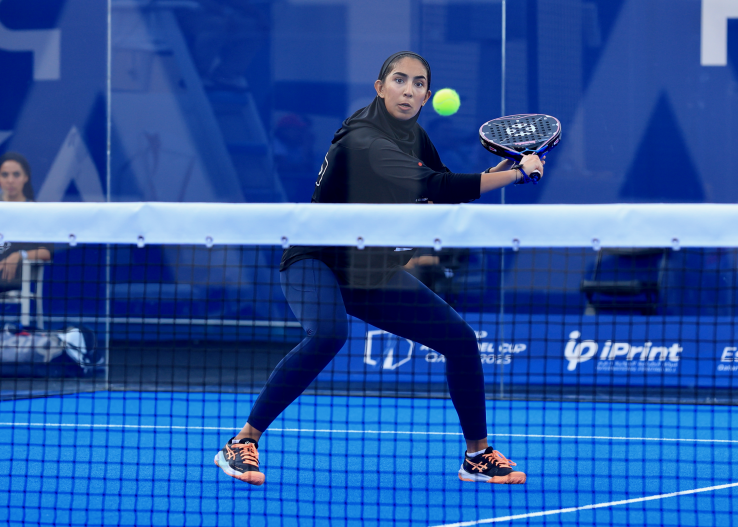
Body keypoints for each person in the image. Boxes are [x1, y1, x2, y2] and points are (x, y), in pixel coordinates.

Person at [214, 52, 544, 486]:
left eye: (418, 83)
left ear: (426, 96)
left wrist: (499, 170)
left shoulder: (415, 136)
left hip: (369, 269)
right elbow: (435, 185)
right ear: (380, 87)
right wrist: (517, 175)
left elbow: (440, 194)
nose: (408, 90)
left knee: (460, 340)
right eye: (399, 80)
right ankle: (242, 441)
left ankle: (477, 456)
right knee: (329, 333)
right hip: (316, 259)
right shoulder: (363, 139)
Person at [0, 153, 51, 294]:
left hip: (13, 279)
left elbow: (47, 252)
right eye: (5, 175)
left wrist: (19, 255)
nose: (10, 180)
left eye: (16, 174)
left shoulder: (36, 211)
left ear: (25, 178)